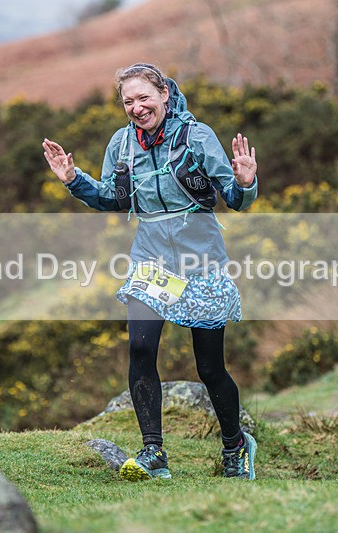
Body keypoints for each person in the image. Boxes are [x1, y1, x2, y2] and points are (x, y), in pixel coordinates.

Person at [42, 62, 258, 480]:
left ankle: (235, 446)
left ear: (164, 94)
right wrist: (73, 179)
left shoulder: (196, 136)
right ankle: (153, 452)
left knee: (209, 367)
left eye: (144, 97)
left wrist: (245, 182)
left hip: (201, 262)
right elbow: (112, 198)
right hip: (151, 261)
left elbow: (234, 199)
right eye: (128, 101)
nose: (137, 107)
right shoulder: (122, 145)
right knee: (141, 349)